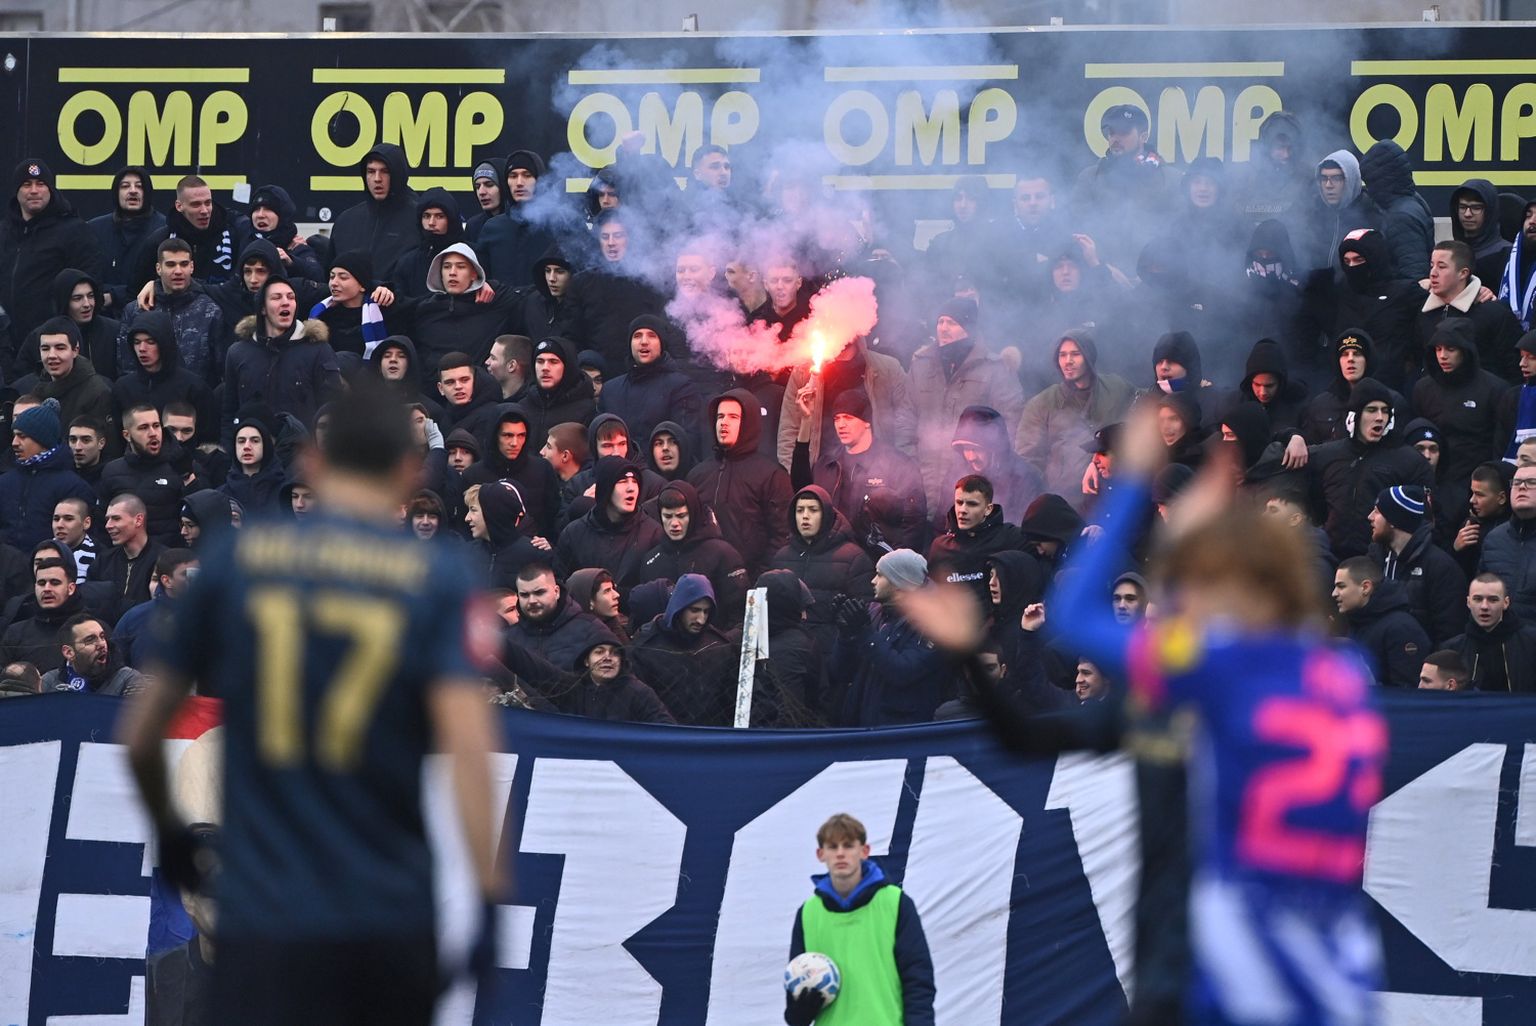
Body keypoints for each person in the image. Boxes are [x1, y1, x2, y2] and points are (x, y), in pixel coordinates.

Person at [118, 383, 502, 1026]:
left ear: (314, 464)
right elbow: (470, 750)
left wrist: (172, 836)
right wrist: (488, 903)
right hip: (383, 907)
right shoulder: (441, 577)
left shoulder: (236, 560)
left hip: (263, 909)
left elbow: (140, 732)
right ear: (409, 472)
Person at [1028, 406, 1387, 1024]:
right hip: (1336, 969)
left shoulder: (1221, 663)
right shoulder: (1346, 671)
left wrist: (1134, 483)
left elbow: (1075, 614)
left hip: (1244, 965)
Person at [784, 812, 935, 1026]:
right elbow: (795, 1000)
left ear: (864, 851)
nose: (840, 853)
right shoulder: (808, 913)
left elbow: (918, 981)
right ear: (820, 854)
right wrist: (799, 1013)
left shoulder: (896, 903)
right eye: (833, 847)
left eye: (848, 846)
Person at [908, 297, 1025, 516]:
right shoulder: (921, 363)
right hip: (921, 473)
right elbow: (905, 416)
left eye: (952, 322)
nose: (943, 328)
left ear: (968, 328)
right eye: (940, 321)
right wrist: (908, 461)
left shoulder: (994, 368)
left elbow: (1010, 421)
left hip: (970, 475)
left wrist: (990, 467)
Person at [788, 389, 927, 553]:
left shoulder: (897, 464)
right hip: (833, 558)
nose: (841, 425)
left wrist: (895, 561)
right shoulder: (827, 463)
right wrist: (806, 420)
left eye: (848, 417)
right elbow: (802, 489)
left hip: (877, 561)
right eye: (837, 418)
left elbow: (914, 520)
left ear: (867, 422)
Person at [1017, 330, 1136, 512]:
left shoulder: (1115, 388)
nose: (1068, 361)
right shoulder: (1042, 404)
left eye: (1075, 354)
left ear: (1089, 357)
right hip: (1066, 504)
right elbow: (1028, 460)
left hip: (1111, 499)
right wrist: (1044, 501)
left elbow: (1147, 405)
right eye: (1062, 355)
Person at [833, 549, 950, 726]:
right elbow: (840, 672)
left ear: (899, 583)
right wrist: (846, 635)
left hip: (902, 728)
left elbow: (903, 672)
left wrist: (865, 632)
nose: (873, 581)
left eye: (880, 575)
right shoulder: (874, 611)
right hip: (862, 724)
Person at [221, 276, 342, 442]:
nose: (286, 302)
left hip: (303, 452)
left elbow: (333, 409)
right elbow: (229, 412)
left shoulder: (319, 350)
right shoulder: (238, 353)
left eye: (291, 297)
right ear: (263, 308)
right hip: (254, 452)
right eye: (276, 298)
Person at [0, 159, 103, 355]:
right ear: (16, 191)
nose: (34, 190)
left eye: (41, 184)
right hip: (6, 345)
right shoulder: (4, 232)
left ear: (51, 190)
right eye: (26, 184)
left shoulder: (74, 231)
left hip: (53, 346)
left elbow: (89, 286)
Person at [688, 390, 793, 578]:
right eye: (720, 416)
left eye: (733, 417)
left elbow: (782, 536)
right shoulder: (698, 475)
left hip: (753, 581)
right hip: (704, 582)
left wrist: (760, 579)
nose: (724, 422)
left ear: (748, 423)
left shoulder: (772, 475)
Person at [627, 572, 742, 726]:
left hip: (711, 734)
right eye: (695, 610)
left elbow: (730, 700)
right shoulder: (645, 647)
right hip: (661, 733)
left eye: (706, 611)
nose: (701, 619)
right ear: (679, 607)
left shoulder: (719, 646)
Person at [1366, 485, 1467, 645]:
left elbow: (1450, 633)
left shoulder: (1441, 568)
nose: (1370, 517)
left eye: (1377, 512)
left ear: (1394, 519)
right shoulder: (1374, 560)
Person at [636, 481, 748, 622]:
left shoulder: (723, 554)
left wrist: (718, 636)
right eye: (668, 516)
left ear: (693, 514)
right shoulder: (651, 560)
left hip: (714, 634)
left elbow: (739, 614)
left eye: (681, 516)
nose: (674, 523)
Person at [0, 398, 95, 549]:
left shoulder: (73, 487)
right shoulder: (5, 482)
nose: (14, 443)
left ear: (42, 439)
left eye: (22, 436)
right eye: (14, 435)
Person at [554, 456, 663, 587]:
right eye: (623, 481)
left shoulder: (653, 534)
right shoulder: (574, 533)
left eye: (634, 481)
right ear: (606, 488)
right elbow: (560, 583)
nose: (631, 488)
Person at [1332, 556, 1429, 687]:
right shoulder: (1357, 622)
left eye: (1341, 586)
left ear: (1365, 587)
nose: (1334, 593)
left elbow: (1407, 691)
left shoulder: (1401, 628)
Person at [99, 404, 187, 548]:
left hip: (169, 555)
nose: (153, 433)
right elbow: (101, 524)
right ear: (127, 435)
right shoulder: (111, 472)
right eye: (143, 428)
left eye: (156, 426)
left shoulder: (180, 467)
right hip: (125, 555)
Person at [327, 143, 419, 272]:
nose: (377, 179)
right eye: (371, 171)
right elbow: (331, 274)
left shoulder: (420, 219)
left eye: (385, 171)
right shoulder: (346, 222)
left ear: (398, 174)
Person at [505, 563, 614, 670]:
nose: (532, 601)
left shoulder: (590, 629)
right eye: (524, 595)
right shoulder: (509, 639)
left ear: (556, 592)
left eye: (539, 592)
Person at [89, 166, 165, 315]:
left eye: (139, 186)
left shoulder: (164, 229)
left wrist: (115, 295)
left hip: (149, 314)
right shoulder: (94, 229)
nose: (133, 191)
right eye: (125, 186)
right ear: (116, 193)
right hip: (102, 315)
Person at [1443, 572, 1536, 693]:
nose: (1484, 606)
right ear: (1468, 602)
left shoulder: (1531, 643)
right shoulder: (1452, 649)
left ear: (1506, 603)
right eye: (1478, 599)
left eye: (1493, 600)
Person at [1358, 139, 1434, 281]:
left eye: (1370, 181)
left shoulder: (1400, 216)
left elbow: (1413, 273)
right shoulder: (1411, 199)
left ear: (1380, 180)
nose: (1368, 187)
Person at [88, 493, 167, 622]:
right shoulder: (102, 562)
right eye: (107, 519)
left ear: (138, 520)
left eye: (116, 518)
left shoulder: (164, 559)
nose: (108, 525)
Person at [0, 558, 88, 671]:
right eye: (41, 583)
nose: (47, 589)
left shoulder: (92, 629)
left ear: (71, 588)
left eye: (55, 583)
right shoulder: (15, 633)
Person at [1478, 461, 1536, 623]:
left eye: (1532, 482)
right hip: (1500, 635)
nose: (1522, 487)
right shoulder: (1494, 539)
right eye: (1516, 482)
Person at [42, 612, 146, 695]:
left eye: (102, 637)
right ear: (69, 652)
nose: (101, 644)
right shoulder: (49, 682)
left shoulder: (128, 679)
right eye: (90, 640)